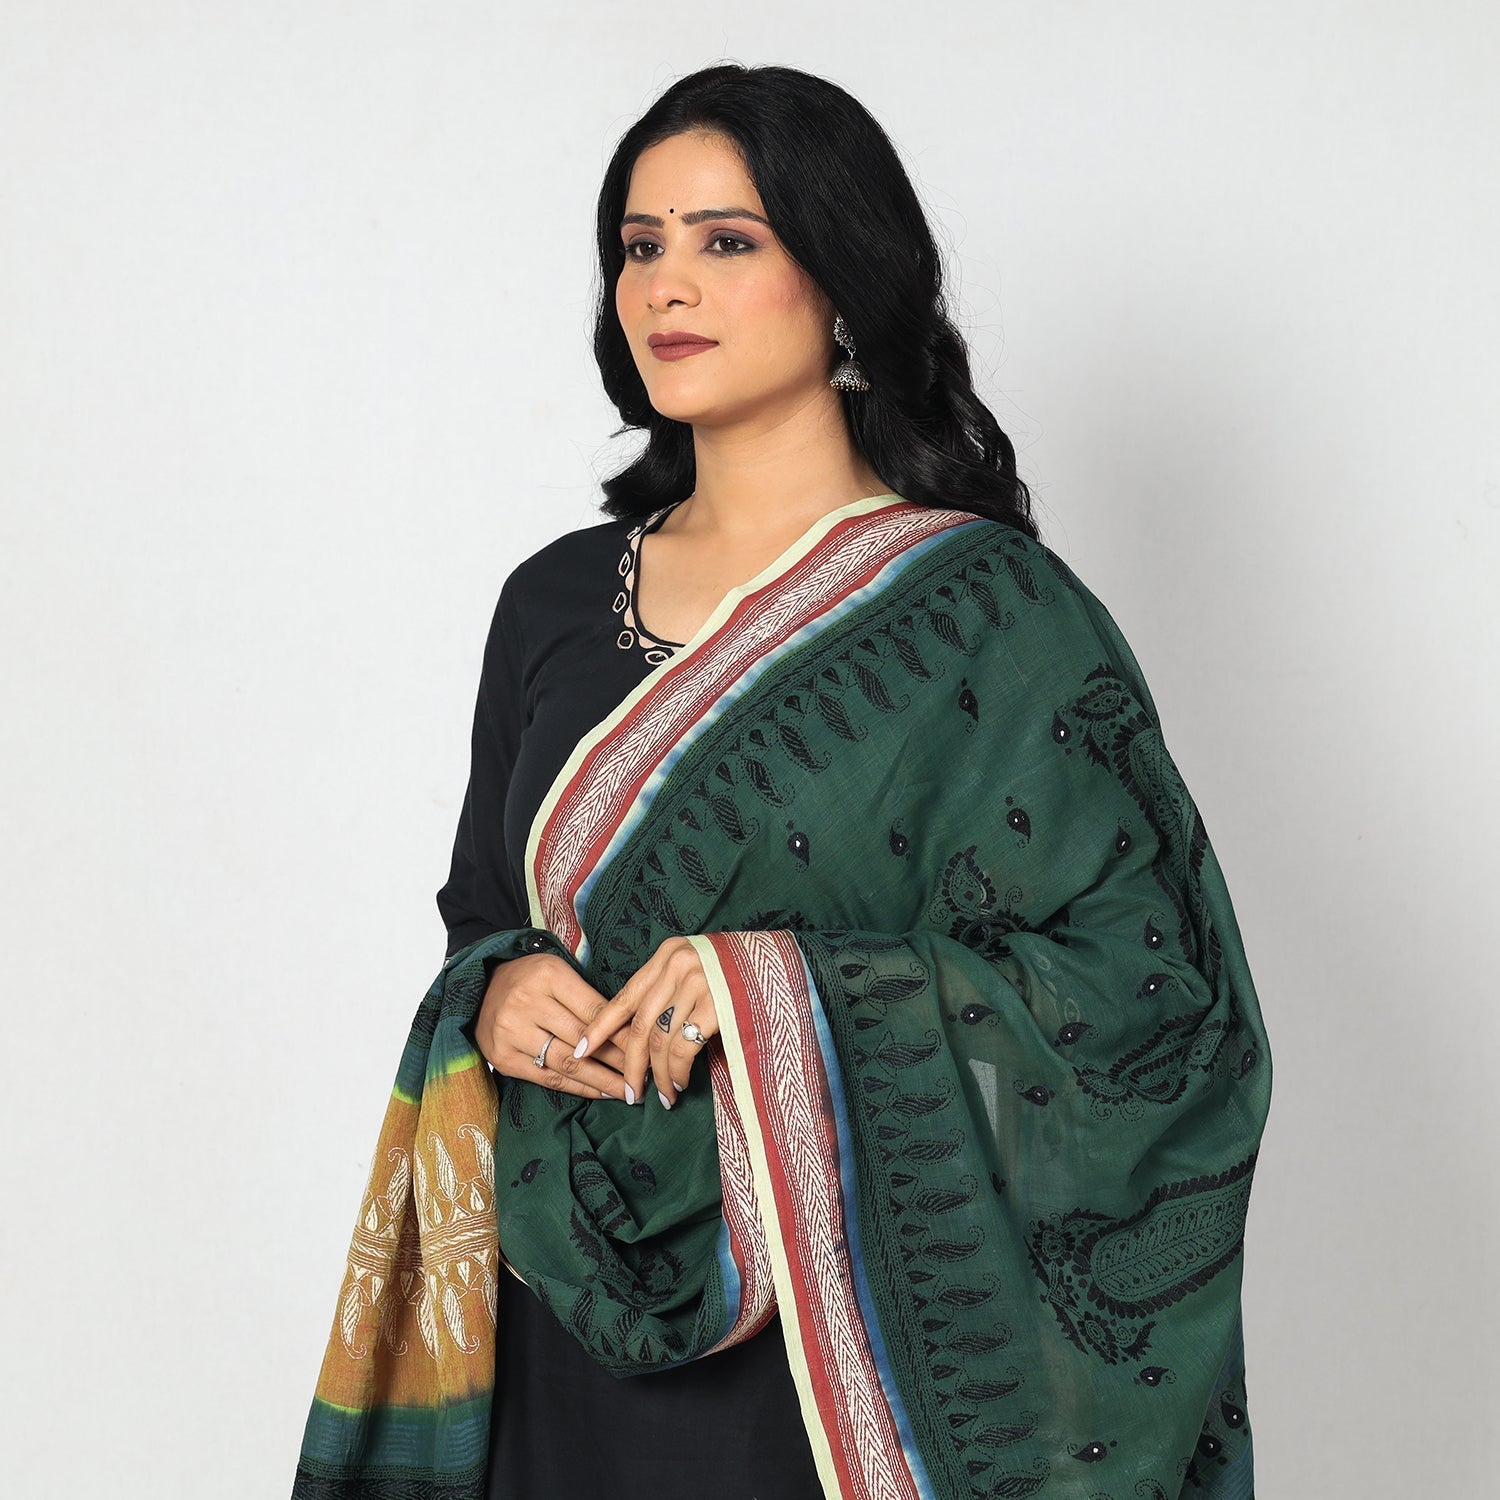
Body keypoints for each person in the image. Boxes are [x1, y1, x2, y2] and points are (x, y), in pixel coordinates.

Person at [291, 63, 1272, 1500]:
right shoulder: (550, 602)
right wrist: (494, 993)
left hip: (847, 1360)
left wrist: (776, 991)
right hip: (558, 1302)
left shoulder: (992, 617)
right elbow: (483, 910)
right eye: (640, 245)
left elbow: (1161, 1002)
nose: (666, 285)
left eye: (727, 240)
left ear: (845, 284)